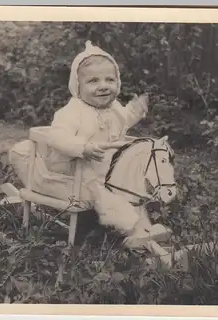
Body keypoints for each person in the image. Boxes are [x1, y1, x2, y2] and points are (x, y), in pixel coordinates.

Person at [41, 41, 161, 248]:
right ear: (78, 86)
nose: (103, 85)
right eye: (93, 81)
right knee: (107, 194)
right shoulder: (72, 111)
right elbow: (57, 137)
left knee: (131, 188)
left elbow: (124, 120)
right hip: (77, 170)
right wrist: (83, 147)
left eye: (110, 79)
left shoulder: (113, 107)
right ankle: (130, 231)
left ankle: (144, 229)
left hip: (103, 168)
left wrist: (136, 111)